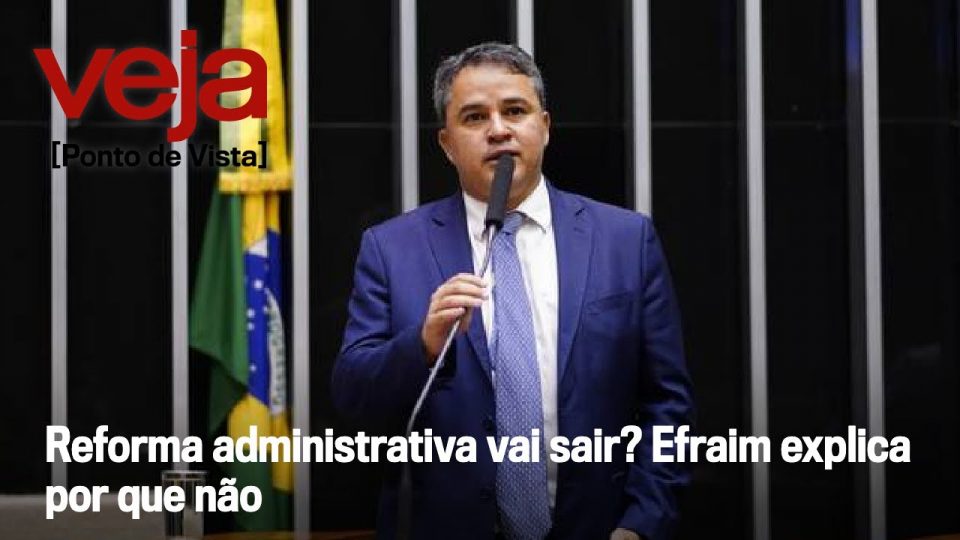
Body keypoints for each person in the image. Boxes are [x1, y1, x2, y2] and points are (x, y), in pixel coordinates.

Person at [332, 42, 694, 540]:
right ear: (446, 144)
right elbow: (353, 397)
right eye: (475, 117)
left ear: (544, 126)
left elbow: (667, 405)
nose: (499, 129)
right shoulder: (391, 248)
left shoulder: (625, 240)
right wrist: (423, 345)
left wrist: (640, 524)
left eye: (515, 111)